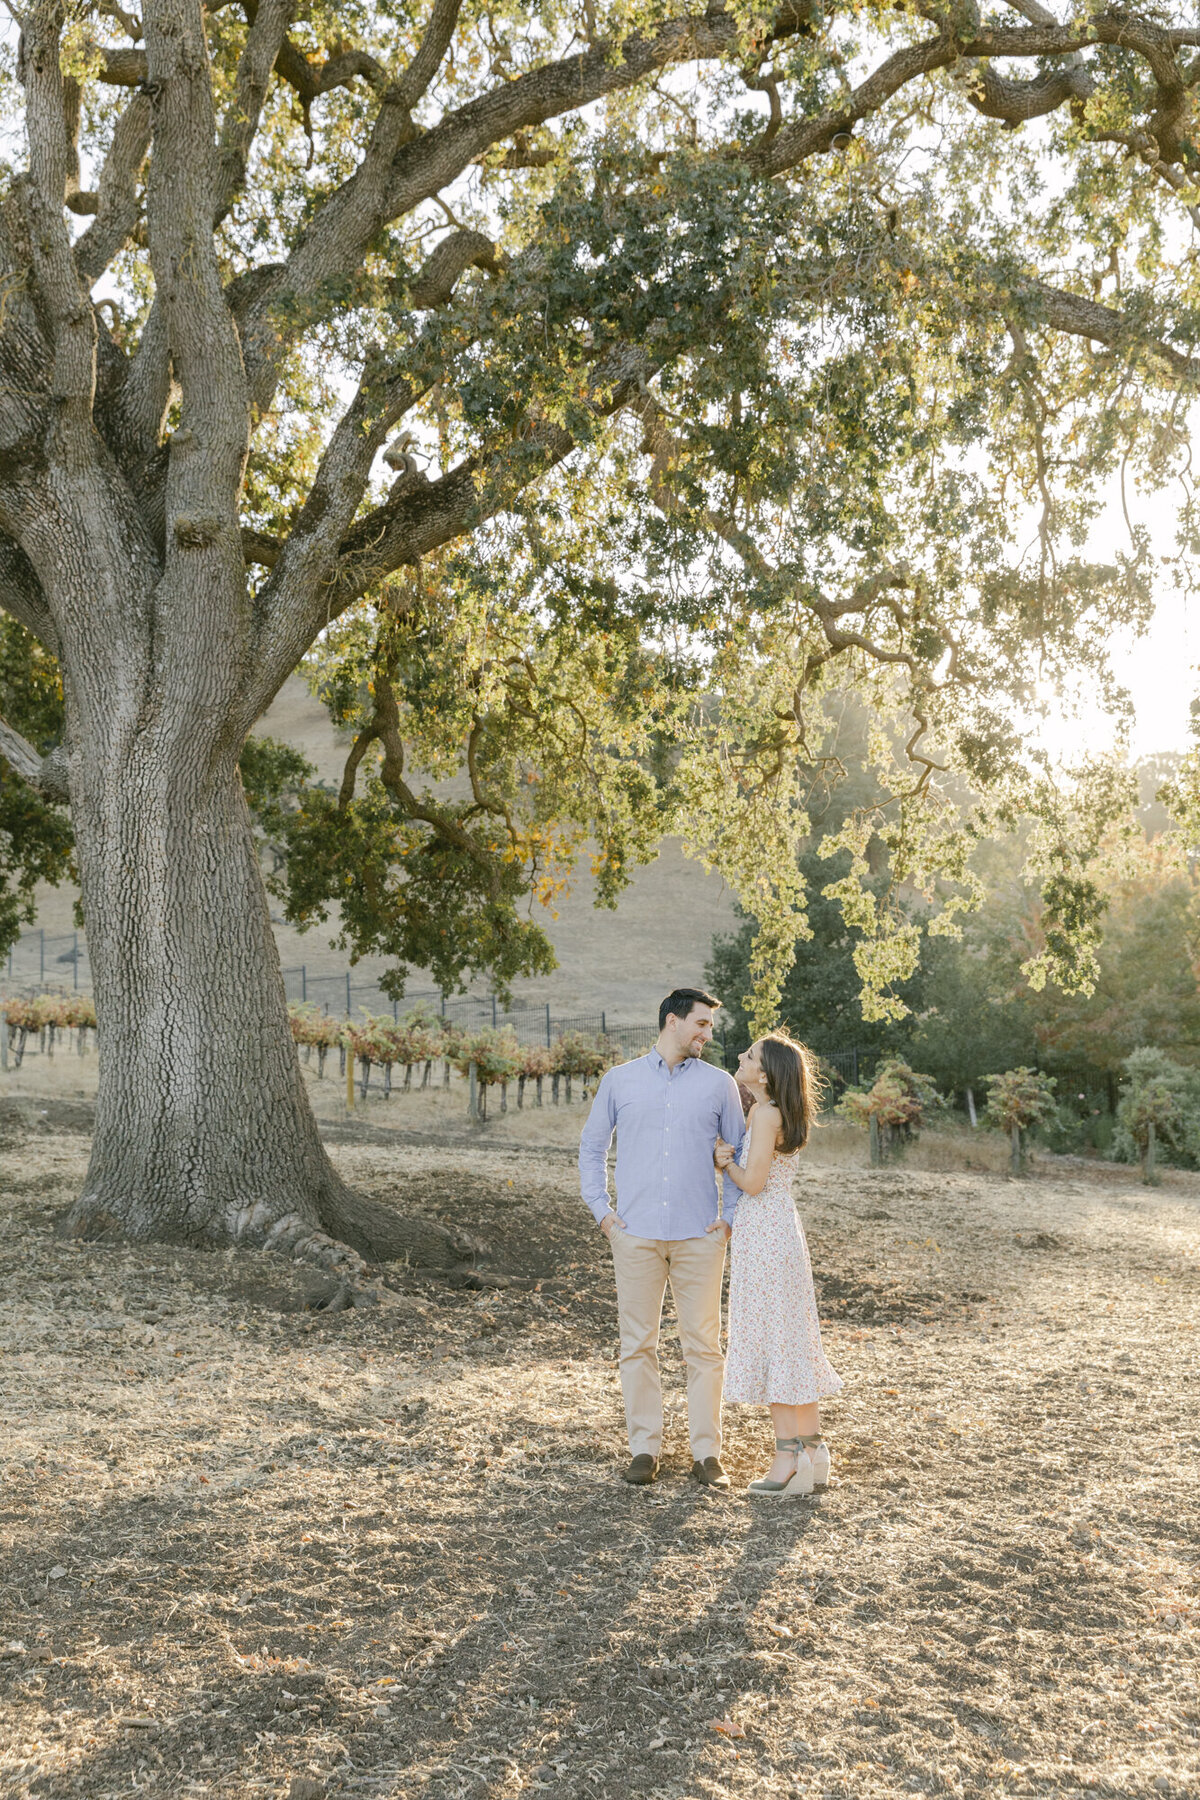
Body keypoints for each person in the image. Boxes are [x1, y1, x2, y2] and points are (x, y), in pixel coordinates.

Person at [579, 986, 746, 1487]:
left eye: (710, 1027)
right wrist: (603, 1214)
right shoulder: (619, 1081)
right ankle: (644, 1449)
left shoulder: (719, 1086)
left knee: (704, 1347)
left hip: (699, 1236)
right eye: (701, 1023)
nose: (706, 1034)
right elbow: (591, 1150)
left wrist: (730, 1220)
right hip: (636, 1236)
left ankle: (707, 1454)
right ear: (672, 1021)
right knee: (638, 1345)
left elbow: (735, 1153)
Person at [715, 1032, 842, 1497]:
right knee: (790, 1338)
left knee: (773, 1339)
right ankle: (814, 1450)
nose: (742, 1059)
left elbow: (752, 1183)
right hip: (780, 1230)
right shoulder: (780, 1112)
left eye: (749, 1056)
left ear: (764, 1075)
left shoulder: (763, 1114)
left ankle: (787, 1455)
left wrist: (723, 1161)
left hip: (764, 1232)